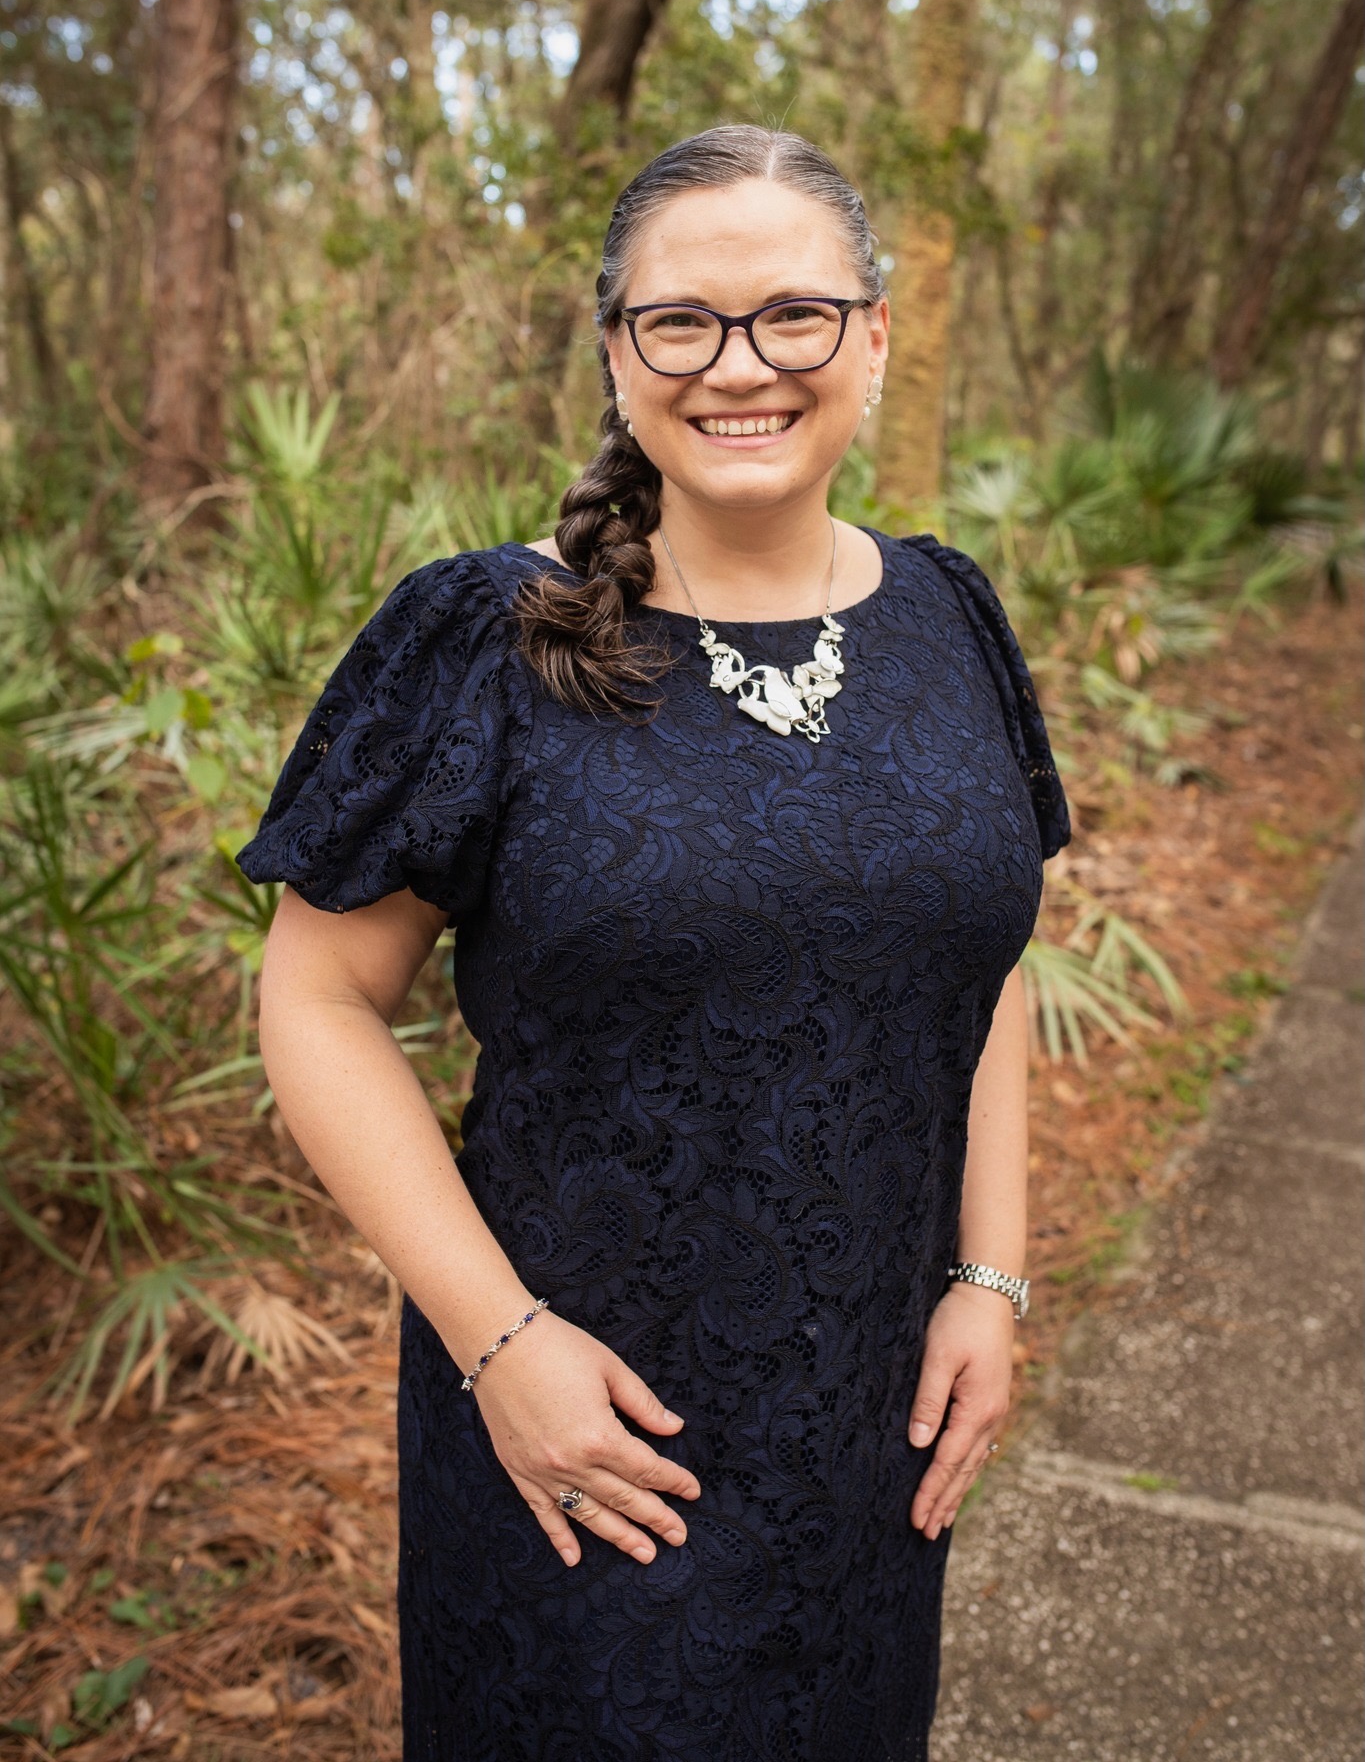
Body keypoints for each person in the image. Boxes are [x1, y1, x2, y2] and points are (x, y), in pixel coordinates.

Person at [237, 122, 1071, 1762]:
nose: (737, 365)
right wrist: (503, 1347)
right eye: (679, 321)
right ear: (618, 352)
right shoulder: (485, 638)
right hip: (585, 1434)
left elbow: (985, 958)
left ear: (874, 335)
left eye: (794, 315)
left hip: (871, 1429)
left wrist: (988, 1278)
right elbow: (318, 995)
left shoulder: (949, 618)